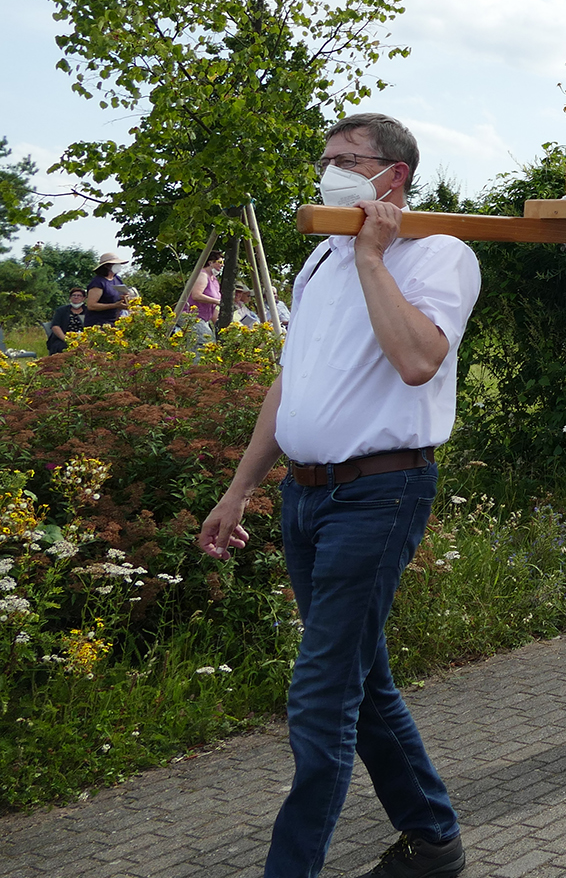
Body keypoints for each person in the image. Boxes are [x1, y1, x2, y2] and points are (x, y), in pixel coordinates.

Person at [198, 112, 479, 878]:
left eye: (348, 160)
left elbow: (418, 359)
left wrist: (372, 257)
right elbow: (291, 380)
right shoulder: (319, 260)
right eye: (326, 159)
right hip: (305, 496)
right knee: (364, 676)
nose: (330, 173)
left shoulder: (440, 253)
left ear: (395, 174)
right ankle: (434, 837)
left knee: (322, 695)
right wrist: (239, 488)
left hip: (380, 492)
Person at [83, 250, 134, 328]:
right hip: (98, 324)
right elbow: (91, 305)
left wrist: (126, 298)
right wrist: (114, 305)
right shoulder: (98, 282)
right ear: (106, 266)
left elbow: (121, 295)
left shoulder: (117, 279)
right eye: (115, 264)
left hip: (114, 322)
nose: (119, 266)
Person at [47, 286, 87, 355]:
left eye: (79, 296)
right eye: (74, 295)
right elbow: (55, 326)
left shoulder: (88, 311)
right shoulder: (61, 310)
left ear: (84, 298)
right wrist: (66, 339)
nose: (76, 297)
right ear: (70, 298)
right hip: (63, 339)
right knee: (62, 347)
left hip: (84, 339)